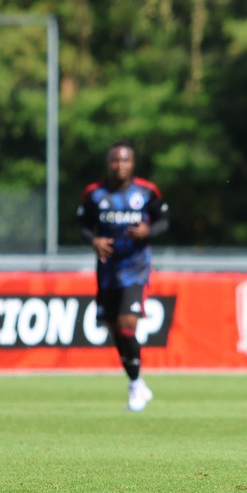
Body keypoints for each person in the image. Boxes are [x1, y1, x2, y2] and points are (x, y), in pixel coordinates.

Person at [77, 140, 169, 412]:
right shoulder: (94, 193)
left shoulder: (147, 191)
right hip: (107, 271)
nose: (120, 165)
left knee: (127, 324)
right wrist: (93, 240)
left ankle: (135, 386)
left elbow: (165, 221)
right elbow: (82, 225)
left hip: (136, 268)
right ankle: (136, 381)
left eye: (125, 160)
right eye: (115, 160)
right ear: (109, 163)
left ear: (132, 163)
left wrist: (148, 233)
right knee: (114, 328)